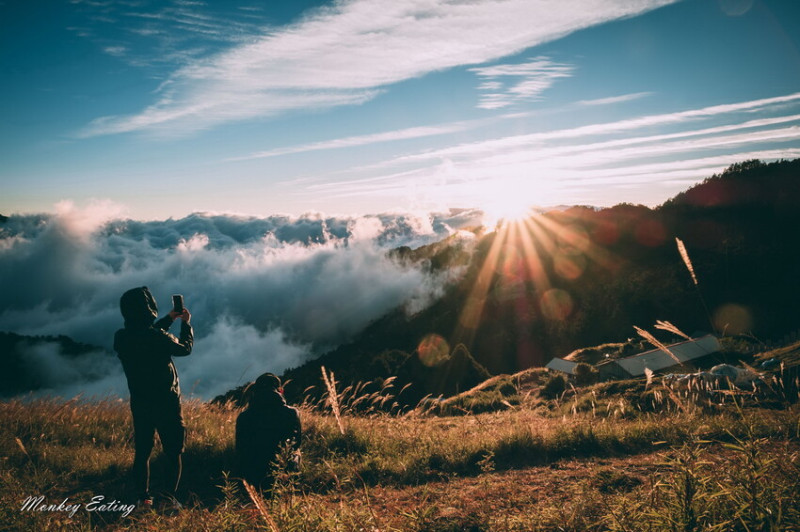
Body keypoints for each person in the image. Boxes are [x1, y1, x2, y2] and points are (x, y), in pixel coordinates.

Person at [113, 287, 193, 511]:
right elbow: (184, 349)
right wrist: (186, 324)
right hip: (167, 402)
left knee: (143, 452)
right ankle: (168, 498)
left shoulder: (121, 338)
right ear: (149, 308)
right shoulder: (157, 337)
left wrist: (169, 319)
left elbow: (145, 334)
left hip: (140, 402)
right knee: (173, 451)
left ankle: (143, 499)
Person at [235, 373, 302, 493]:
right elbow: (297, 443)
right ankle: (292, 485)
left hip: (253, 477)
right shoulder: (292, 413)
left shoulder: (244, 416)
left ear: (255, 391)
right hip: (282, 473)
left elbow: (240, 448)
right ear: (280, 391)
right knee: (297, 453)